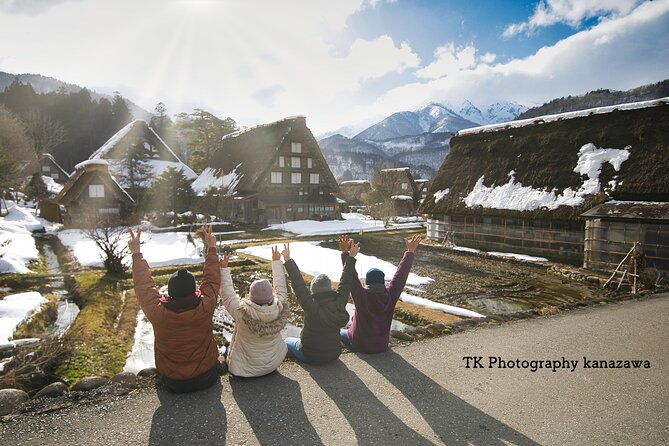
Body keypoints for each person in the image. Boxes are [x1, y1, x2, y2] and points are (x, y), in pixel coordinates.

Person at [128, 225, 221, 393]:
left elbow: (144, 286)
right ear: (194, 291)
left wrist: (136, 253)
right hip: (207, 376)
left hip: (173, 382)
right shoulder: (205, 305)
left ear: (170, 293)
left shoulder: (157, 312)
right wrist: (212, 248)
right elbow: (212, 280)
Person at [339, 234, 423, 354]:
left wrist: (345, 253)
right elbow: (401, 276)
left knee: (339, 332)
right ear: (382, 282)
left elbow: (351, 276)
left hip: (361, 344)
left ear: (367, 282)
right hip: (382, 345)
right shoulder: (390, 295)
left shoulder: (361, 295)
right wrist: (410, 251)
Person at [282, 241, 358, 364]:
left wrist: (287, 260)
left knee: (287, 340)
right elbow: (346, 281)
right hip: (334, 354)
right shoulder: (339, 302)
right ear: (329, 288)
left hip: (310, 355)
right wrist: (352, 257)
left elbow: (298, 284)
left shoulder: (310, 305)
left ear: (313, 290)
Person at [219, 246, 289, 377]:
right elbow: (281, 287)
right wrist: (276, 262)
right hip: (273, 364)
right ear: (271, 295)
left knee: (227, 348)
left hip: (243, 370)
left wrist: (223, 269)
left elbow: (228, 295)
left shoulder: (242, 312)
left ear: (250, 296)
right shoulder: (280, 306)